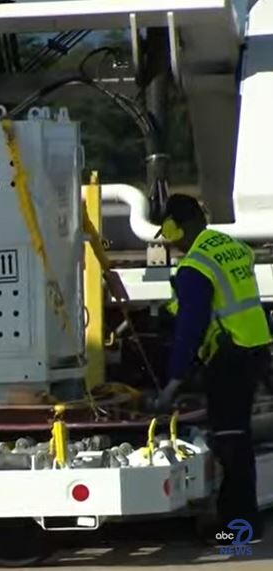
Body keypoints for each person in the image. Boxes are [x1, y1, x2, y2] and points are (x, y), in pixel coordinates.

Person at [152, 193, 271, 543]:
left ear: (176, 228)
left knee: (230, 443)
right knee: (239, 439)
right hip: (252, 349)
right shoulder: (229, 246)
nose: (170, 245)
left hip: (228, 358)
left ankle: (236, 531)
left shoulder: (195, 266)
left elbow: (193, 326)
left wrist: (174, 381)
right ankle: (242, 520)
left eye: (169, 234)